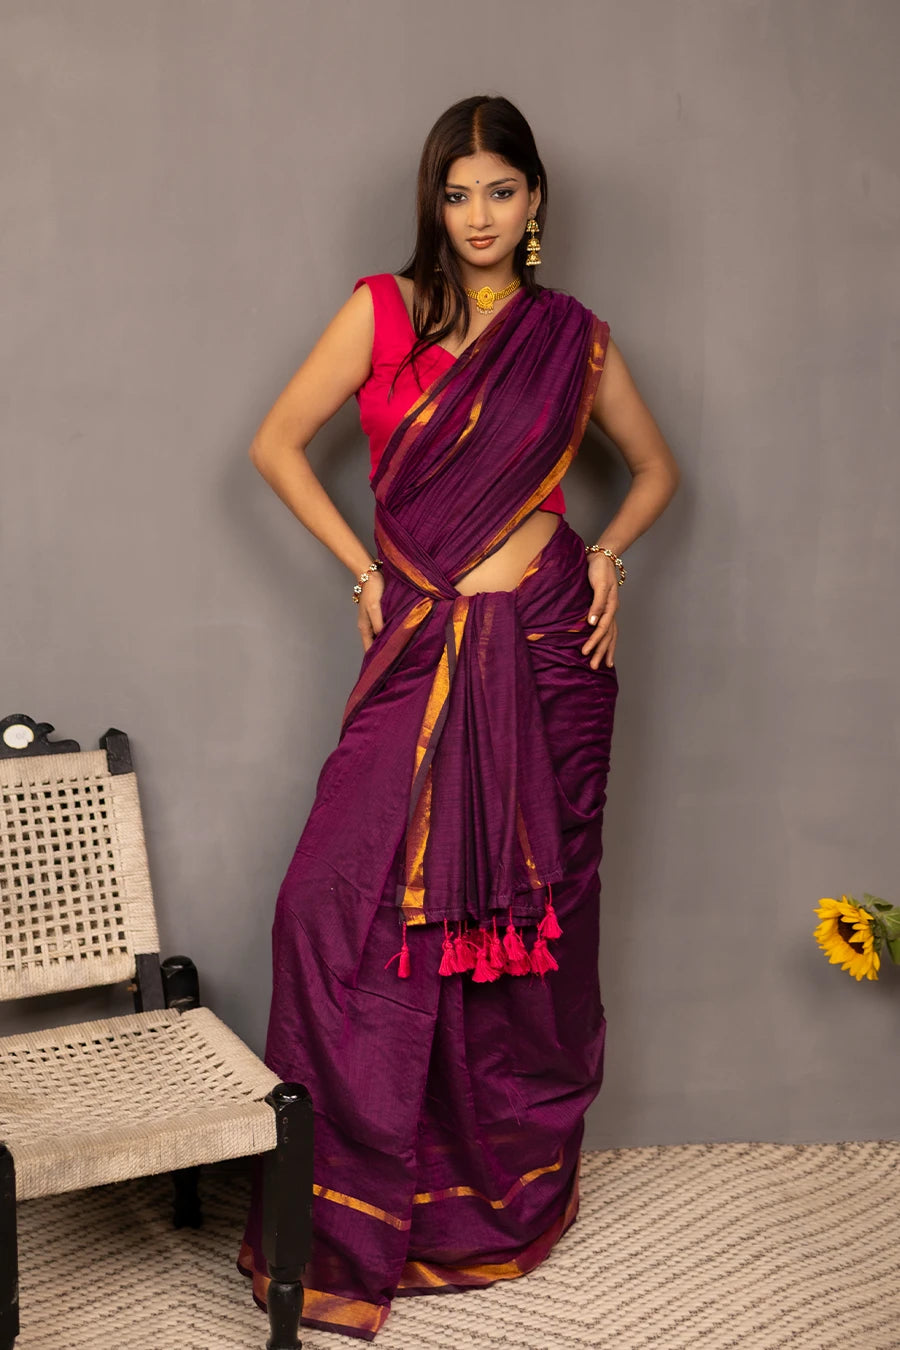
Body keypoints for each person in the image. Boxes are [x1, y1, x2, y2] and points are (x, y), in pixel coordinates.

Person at [237, 93, 680, 1341]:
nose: (479, 216)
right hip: (421, 638)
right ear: (433, 205)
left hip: (545, 650)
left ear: (536, 201)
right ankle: (354, 1213)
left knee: (524, 936)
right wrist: (360, 568)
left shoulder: (574, 339)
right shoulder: (384, 311)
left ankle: (493, 1211)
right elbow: (276, 443)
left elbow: (655, 469)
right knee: (335, 908)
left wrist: (610, 559)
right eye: (457, 192)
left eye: (501, 190)